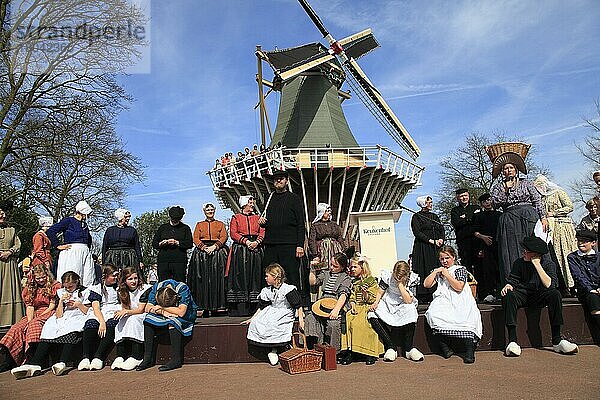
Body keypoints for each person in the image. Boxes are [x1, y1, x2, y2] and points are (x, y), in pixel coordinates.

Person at [501, 236, 578, 357]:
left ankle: (557, 341)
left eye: (526, 251)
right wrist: (509, 285)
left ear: (536, 255)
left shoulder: (548, 264)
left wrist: (537, 265)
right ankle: (512, 341)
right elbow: (513, 280)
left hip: (540, 295)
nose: (523, 253)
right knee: (509, 296)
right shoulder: (519, 263)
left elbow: (549, 285)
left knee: (555, 295)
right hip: (524, 294)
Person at [488, 143, 548, 287]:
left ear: (516, 169)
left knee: (533, 247)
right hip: (509, 219)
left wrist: (543, 217)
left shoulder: (526, 183)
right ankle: (513, 283)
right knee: (511, 251)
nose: (508, 170)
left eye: (510, 168)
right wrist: (505, 191)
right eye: (505, 169)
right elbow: (494, 204)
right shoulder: (498, 187)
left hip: (528, 217)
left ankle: (539, 282)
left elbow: (537, 200)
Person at [11, 271, 92, 378]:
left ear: (77, 282)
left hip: (79, 315)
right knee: (50, 328)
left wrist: (78, 304)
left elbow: (88, 311)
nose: (68, 289)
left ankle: (62, 362)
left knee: (72, 328)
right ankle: (35, 364)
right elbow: (58, 315)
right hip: (64, 316)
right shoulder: (61, 292)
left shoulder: (85, 292)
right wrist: (61, 302)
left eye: (71, 286)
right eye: (66, 287)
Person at [424, 246, 482, 364]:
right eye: (442, 259)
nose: (445, 261)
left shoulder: (460, 269)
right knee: (433, 314)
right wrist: (435, 272)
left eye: (447, 258)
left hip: (459, 298)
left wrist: (447, 275)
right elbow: (426, 284)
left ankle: (469, 352)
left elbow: (459, 287)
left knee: (466, 316)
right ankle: (445, 347)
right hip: (444, 299)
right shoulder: (439, 271)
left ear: (453, 257)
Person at [0, 262, 60, 372]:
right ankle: (9, 361)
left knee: (34, 325)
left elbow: (52, 305)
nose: (41, 280)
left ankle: (33, 359)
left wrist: (36, 319)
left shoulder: (54, 285)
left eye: (43, 277)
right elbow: (30, 306)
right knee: (16, 328)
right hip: (34, 311)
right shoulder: (30, 287)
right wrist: (29, 320)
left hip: (49, 311)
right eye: (38, 278)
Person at [259, 169, 308, 304]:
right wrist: (262, 223)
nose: (278, 181)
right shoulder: (269, 198)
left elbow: (300, 224)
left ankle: (295, 305)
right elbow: (266, 220)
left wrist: (299, 244)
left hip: (289, 243)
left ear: (286, 181)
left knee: (291, 275)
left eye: (281, 178)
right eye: (276, 179)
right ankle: (269, 304)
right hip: (271, 243)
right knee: (269, 274)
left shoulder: (294, 199)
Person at [243, 263, 304, 366]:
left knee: (275, 324)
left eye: (267, 276)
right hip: (271, 310)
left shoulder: (287, 289)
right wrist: (252, 319)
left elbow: (298, 305)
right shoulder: (267, 290)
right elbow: (262, 306)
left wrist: (301, 320)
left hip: (284, 311)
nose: (265, 278)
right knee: (259, 322)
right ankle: (271, 349)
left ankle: (277, 349)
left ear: (275, 276)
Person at [136, 279, 198, 372]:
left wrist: (162, 308)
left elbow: (181, 312)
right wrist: (162, 312)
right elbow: (148, 308)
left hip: (187, 314)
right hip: (163, 312)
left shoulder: (182, 288)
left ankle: (176, 359)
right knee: (148, 319)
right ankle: (148, 358)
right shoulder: (157, 287)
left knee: (172, 322)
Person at [367, 260, 422, 363]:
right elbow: (380, 291)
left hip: (403, 302)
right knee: (372, 313)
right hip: (389, 301)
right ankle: (391, 346)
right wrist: (376, 302)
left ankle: (409, 348)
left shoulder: (412, 279)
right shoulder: (387, 277)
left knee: (411, 310)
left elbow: (408, 300)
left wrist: (400, 285)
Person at [533, 175, 577, 293]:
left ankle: (573, 284)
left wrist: (555, 213)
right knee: (555, 256)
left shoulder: (558, 192)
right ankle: (561, 285)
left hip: (561, 227)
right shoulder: (540, 199)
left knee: (565, 254)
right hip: (550, 230)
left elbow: (570, 206)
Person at [339, 255, 384, 365]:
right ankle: (351, 352)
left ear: (362, 268)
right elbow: (353, 296)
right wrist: (353, 305)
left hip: (367, 307)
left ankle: (369, 353)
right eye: (351, 267)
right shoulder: (354, 282)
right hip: (356, 307)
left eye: (355, 267)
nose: (352, 269)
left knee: (362, 324)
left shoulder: (371, 281)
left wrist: (365, 293)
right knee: (348, 320)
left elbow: (373, 298)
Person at [304, 252, 352, 353]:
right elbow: (313, 282)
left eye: (335, 266)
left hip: (336, 303)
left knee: (333, 325)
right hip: (322, 302)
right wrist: (312, 269)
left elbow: (343, 294)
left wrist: (336, 310)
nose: (331, 267)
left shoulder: (345, 278)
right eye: (331, 264)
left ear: (342, 267)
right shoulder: (326, 273)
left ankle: (333, 352)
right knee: (310, 318)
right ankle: (315, 347)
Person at [78, 264, 121, 371]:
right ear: (105, 276)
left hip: (113, 309)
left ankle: (99, 356)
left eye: (116, 275)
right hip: (99, 311)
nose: (115, 278)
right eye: (113, 275)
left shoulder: (119, 288)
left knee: (112, 323)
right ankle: (86, 357)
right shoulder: (97, 289)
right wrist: (102, 322)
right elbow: (96, 308)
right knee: (91, 323)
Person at [188, 203, 228, 316]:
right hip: (202, 253)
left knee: (216, 279)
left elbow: (224, 236)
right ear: (204, 211)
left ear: (214, 210)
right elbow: (195, 237)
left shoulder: (220, 224)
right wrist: (203, 247)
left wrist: (215, 246)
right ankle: (204, 307)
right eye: (208, 210)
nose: (210, 211)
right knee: (203, 280)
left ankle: (216, 306)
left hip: (217, 251)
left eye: (212, 209)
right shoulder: (199, 224)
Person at [227, 196, 264, 316]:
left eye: (253, 202)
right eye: (250, 202)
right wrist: (246, 242)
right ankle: (241, 308)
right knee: (240, 276)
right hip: (241, 250)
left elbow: (262, 231)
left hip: (256, 249)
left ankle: (255, 307)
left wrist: (257, 242)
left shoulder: (258, 218)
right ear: (244, 204)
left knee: (256, 276)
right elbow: (233, 233)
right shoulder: (236, 217)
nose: (252, 204)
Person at [47, 200, 95, 287]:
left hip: (85, 252)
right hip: (72, 252)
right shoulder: (68, 221)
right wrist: (57, 245)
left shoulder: (84, 225)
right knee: (73, 273)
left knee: (87, 275)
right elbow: (51, 231)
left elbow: (88, 239)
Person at [112, 266, 152, 370]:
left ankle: (136, 356)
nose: (134, 281)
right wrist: (121, 312)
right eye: (130, 279)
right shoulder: (121, 291)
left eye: (135, 278)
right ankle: (121, 355)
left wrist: (127, 312)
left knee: (134, 320)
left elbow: (141, 310)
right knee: (121, 320)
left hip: (142, 314)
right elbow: (126, 308)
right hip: (131, 313)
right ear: (125, 281)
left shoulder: (145, 289)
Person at [410, 195, 445, 303]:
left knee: (435, 267)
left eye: (431, 202)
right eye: (428, 202)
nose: (431, 204)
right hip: (423, 247)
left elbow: (441, 228)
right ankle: (424, 295)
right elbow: (417, 232)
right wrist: (430, 240)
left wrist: (441, 239)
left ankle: (436, 291)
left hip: (435, 247)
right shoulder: (417, 217)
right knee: (424, 268)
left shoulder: (434, 216)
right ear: (423, 204)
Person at [567, 230, 600, 341]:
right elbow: (578, 276)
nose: (581, 243)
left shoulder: (599, 256)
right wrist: (590, 289)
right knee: (593, 299)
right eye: (579, 241)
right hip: (585, 291)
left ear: (593, 243)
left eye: (585, 241)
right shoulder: (572, 257)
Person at [472, 193, 502, 302]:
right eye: (484, 202)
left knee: (500, 269)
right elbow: (475, 232)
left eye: (489, 200)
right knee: (488, 270)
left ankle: (500, 292)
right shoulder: (479, 216)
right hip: (486, 246)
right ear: (481, 204)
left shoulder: (500, 215)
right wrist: (483, 237)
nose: (487, 203)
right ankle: (489, 293)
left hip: (499, 245)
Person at [152, 205, 193, 282]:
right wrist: (161, 243)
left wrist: (177, 242)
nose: (174, 220)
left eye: (176, 219)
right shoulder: (163, 228)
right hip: (163, 261)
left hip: (179, 261)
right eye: (173, 218)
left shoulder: (185, 228)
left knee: (179, 283)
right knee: (163, 283)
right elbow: (154, 244)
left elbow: (189, 243)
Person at [0, 199, 23, 327]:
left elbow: (18, 244)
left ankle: (8, 320)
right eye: (0, 213)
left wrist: (9, 252)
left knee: (9, 289)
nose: (3, 215)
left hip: (9, 264)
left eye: (4, 213)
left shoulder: (11, 230)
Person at [102, 208, 143, 274]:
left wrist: (140, 261)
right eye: (126, 217)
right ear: (120, 217)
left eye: (129, 217)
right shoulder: (110, 230)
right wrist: (104, 262)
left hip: (129, 257)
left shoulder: (132, 230)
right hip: (112, 257)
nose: (128, 219)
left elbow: (137, 246)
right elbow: (104, 246)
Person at [450, 188, 480, 273]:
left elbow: (478, 222)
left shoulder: (476, 207)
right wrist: (469, 218)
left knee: (479, 264)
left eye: (465, 195)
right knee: (466, 264)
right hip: (463, 241)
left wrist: (464, 218)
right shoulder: (455, 210)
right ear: (457, 198)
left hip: (476, 240)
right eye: (461, 196)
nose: (464, 198)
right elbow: (456, 223)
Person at [308, 203, 344, 270]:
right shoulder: (315, 225)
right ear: (322, 212)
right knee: (323, 267)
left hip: (335, 249)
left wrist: (343, 250)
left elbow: (339, 237)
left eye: (330, 211)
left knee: (337, 263)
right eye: (327, 211)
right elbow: (312, 240)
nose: (329, 213)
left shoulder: (334, 224)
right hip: (322, 250)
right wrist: (315, 254)